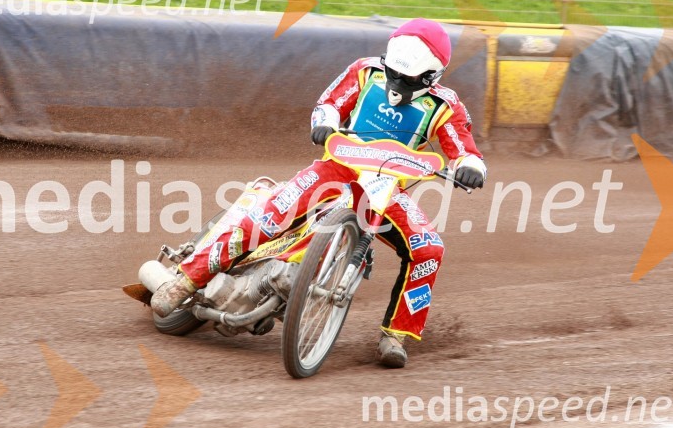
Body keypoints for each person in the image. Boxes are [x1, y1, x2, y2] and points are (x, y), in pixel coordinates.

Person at [151, 18, 487, 368]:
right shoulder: (365, 71)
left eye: (405, 79)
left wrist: (471, 169)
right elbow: (328, 104)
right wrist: (324, 122)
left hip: (386, 189)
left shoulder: (445, 106)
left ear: (430, 77)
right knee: (268, 218)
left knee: (429, 249)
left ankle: (396, 334)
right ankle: (187, 282)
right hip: (336, 168)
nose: (395, 82)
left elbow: (467, 152)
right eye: (392, 72)